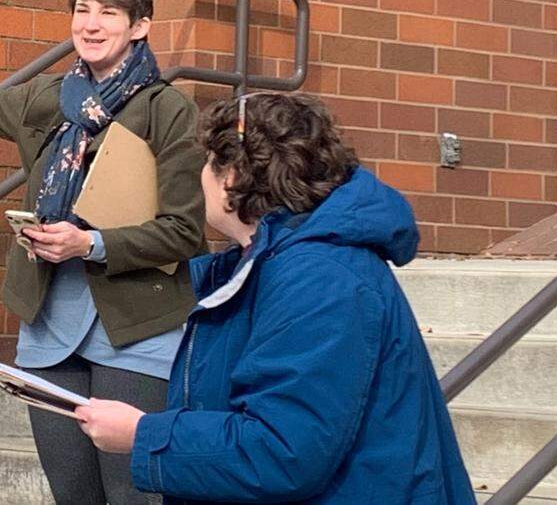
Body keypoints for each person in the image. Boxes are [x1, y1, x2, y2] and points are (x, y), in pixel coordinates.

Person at [76, 92, 476, 504]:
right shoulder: (267, 266)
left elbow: (283, 450)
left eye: (207, 165)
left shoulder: (320, 279)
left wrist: (145, 436)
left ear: (230, 176)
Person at [0, 0, 206, 504]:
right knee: (72, 492)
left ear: (140, 26)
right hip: (50, 322)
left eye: (109, 12)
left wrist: (90, 244)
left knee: (132, 495)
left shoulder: (168, 109)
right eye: (82, 10)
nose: (92, 24)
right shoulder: (52, 98)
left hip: (136, 327)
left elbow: (184, 231)